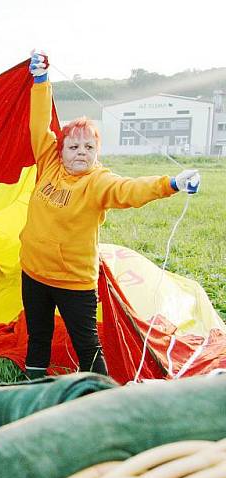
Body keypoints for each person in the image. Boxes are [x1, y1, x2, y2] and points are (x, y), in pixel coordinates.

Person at [20, 51, 200, 379]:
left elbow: (130, 190)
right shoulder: (48, 162)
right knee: (38, 337)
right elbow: (39, 123)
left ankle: (98, 395)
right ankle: (31, 389)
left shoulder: (98, 182)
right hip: (33, 273)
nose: (81, 153)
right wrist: (41, 81)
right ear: (60, 150)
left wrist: (171, 183)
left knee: (86, 344)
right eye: (74, 147)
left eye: (89, 148)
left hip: (74, 281)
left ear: (97, 153)